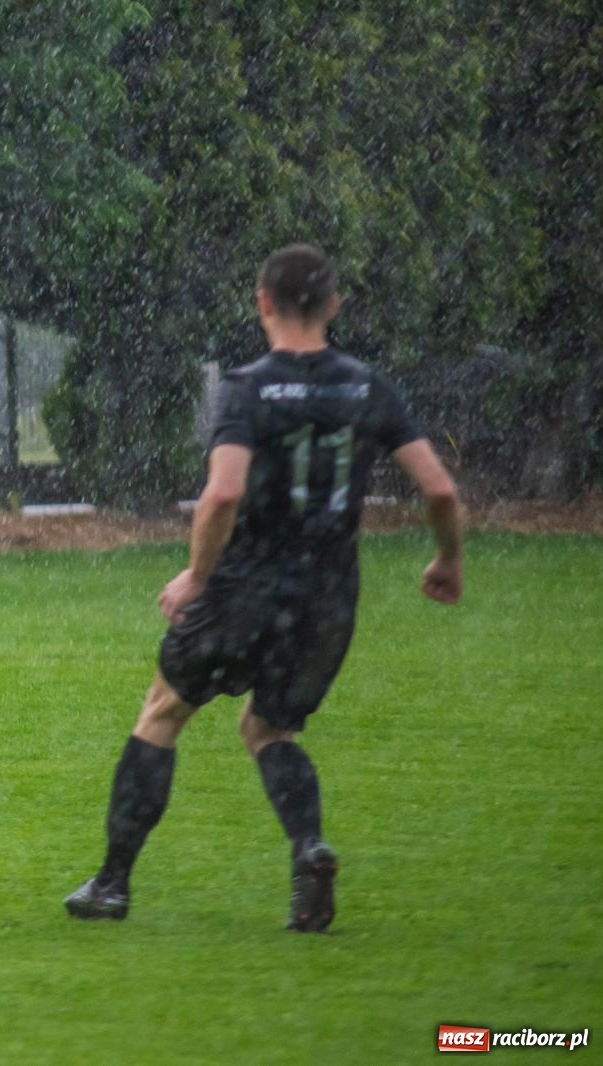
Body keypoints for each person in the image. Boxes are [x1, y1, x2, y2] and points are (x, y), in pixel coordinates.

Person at [63, 244, 464, 931]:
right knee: (269, 727)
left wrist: (197, 574)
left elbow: (222, 494)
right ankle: (308, 847)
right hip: (328, 599)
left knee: (162, 713)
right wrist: (447, 559)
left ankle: (112, 884)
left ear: (263, 303)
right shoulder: (367, 387)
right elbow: (439, 486)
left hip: (245, 589)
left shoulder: (248, 388)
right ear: (335, 305)